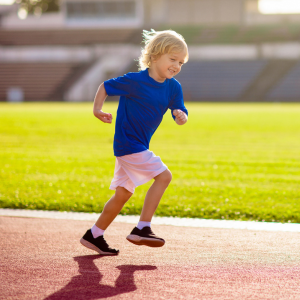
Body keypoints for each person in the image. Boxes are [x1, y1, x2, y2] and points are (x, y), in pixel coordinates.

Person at [80, 29, 189, 255]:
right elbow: (105, 86)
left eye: (181, 62)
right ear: (155, 55)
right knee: (164, 176)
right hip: (128, 145)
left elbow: (179, 112)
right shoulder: (135, 81)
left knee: (123, 194)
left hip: (136, 147)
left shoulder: (173, 87)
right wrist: (97, 109)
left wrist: (181, 116)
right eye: (172, 59)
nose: (177, 66)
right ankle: (143, 227)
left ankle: (94, 235)